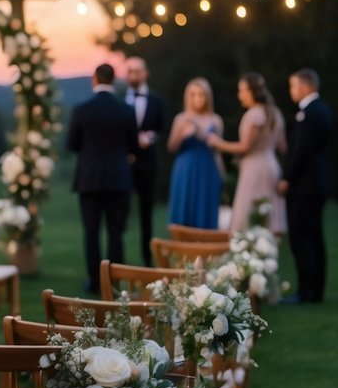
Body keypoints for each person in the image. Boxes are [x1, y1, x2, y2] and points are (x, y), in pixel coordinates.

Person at [67, 63, 137, 293]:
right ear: (114, 80)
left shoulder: (81, 110)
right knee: (116, 232)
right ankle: (115, 282)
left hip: (89, 178)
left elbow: (72, 144)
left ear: (94, 79)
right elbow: (133, 145)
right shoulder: (126, 110)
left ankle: (95, 281)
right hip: (118, 178)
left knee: (91, 232)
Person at [278, 68, 334, 303]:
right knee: (314, 237)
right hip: (316, 185)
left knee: (304, 238)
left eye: (292, 86)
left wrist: (287, 178)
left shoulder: (309, 113)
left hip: (305, 186)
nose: (291, 91)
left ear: (303, 87)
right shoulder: (322, 110)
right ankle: (314, 290)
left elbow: (301, 152)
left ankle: (307, 291)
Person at [207, 72, 287, 233]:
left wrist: (218, 143)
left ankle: (251, 251)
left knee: (248, 213)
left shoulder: (254, 114)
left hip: (255, 168)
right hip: (272, 165)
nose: (240, 95)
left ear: (252, 92)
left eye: (242, 90)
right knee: (265, 212)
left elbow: (245, 147)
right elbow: (283, 147)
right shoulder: (275, 113)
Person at [124, 56, 167, 266]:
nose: (132, 74)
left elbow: (162, 128)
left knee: (146, 212)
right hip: (124, 164)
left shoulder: (157, 101)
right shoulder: (120, 100)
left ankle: (147, 259)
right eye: (129, 71)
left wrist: (151, 137)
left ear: (145, 73)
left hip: (148, 164)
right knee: (120, 214)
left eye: (136, 71)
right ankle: (116, 261)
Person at [167, 78, 224, 229]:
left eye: (201, 94)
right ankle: (183, 248)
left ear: (207, 96)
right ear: (188, 97)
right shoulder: (181, 119)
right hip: (186, 169)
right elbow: (171, 147)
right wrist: (182, 135)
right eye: (193, 95)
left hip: (207, 168)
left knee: (205, 207)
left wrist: (221, 176)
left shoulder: (216, 120)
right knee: (185, 207)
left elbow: (218, 152)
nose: (197, 98)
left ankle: (205, 249)